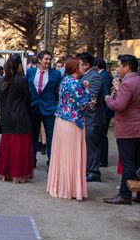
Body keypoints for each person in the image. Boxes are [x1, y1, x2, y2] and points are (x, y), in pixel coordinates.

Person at [47, 57, 90, 201]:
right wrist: (88, 91)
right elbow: (82, 104)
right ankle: (69, 188)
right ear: (76, 68)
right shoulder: (75, 83)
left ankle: (60, 185)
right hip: (72, 123)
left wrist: (83, 88)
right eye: (82, 65)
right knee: (71, 155)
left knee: (62, 155)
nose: (84, 67)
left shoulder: (65, 80)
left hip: (62, 121)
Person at [103, 54, 140, 205]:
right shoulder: (137, 80)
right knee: (137, 162)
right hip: (137, 127)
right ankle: (138, 193)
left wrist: (108, 98)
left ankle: (125, 194)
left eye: (119, 66)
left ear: (127, 67)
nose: (117, 68)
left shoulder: (127, 83)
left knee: (128, 163)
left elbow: (119, 105)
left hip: (128, 128)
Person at [0, 55, 34, 183]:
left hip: (6, 115)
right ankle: (17, 174)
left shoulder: (3, 80)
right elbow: (28, 99)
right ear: (19, 65)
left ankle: (4, 173)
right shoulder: (21, 80)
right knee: (19, 147)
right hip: (20, 116)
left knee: (7, 145)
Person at [26, 50, 62, 166]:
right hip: (33, 108)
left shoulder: (56, 74)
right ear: (39, 60)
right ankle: (31, 161)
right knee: (32, 136)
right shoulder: (30, 72)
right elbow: (26, 89)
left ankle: (51, 162)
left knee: (51, 137)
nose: (48, 61)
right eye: (46, 59)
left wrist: (56, 104)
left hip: (49, 108)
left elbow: (60, 91)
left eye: (50, 59)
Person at [76, 52, 105, 182]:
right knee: (87, 146)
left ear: (87, 65)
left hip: (92, 118)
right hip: (85, 118)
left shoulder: (95, 77)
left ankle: (94, 172)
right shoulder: (86, 75)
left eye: (80, 64)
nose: (78, 66)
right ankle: (88, 169)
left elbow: (90, 98)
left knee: (92, 146)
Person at [95, 57, 114, 167]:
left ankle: (103, 160)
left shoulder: (104, 76)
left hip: (104, 111)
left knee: (102, 135)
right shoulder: (103, 75)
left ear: (97, 65)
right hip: (104, 110)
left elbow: (106, 94)